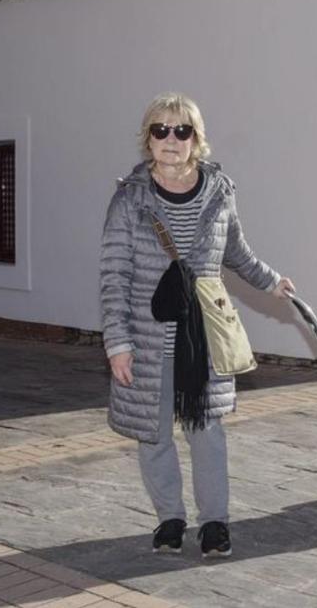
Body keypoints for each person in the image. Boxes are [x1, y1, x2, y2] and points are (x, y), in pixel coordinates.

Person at [99, 92, 294, 559]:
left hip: (202, 338)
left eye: (182, 130)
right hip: (146, 339)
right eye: (160, 129)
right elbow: (113, 274)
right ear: (148, 139)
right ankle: (170, 518)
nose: (171, 139)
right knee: (154, 432)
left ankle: (214, 524)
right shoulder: (129, 199)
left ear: (196, 140)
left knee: (207, 432)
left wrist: (272, 281)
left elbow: (236, 252)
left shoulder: (219, 192)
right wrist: (117, 342)